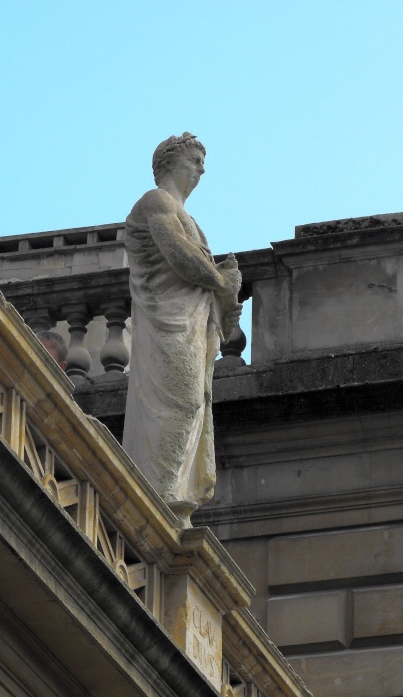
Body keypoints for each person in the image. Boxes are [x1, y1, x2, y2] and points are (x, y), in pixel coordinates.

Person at [122, 133, 241, 527]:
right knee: (181, 402)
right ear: (169, 163)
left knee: (194, 404)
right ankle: (159, 497)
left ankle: (172, 498)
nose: (201, 169)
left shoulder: (189, 217)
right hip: (167, 324)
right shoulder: (155, 201)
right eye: (195, 160)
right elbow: (179, 256)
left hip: (188, 326)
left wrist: (224, 293)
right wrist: (220, 281)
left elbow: (194, 264)